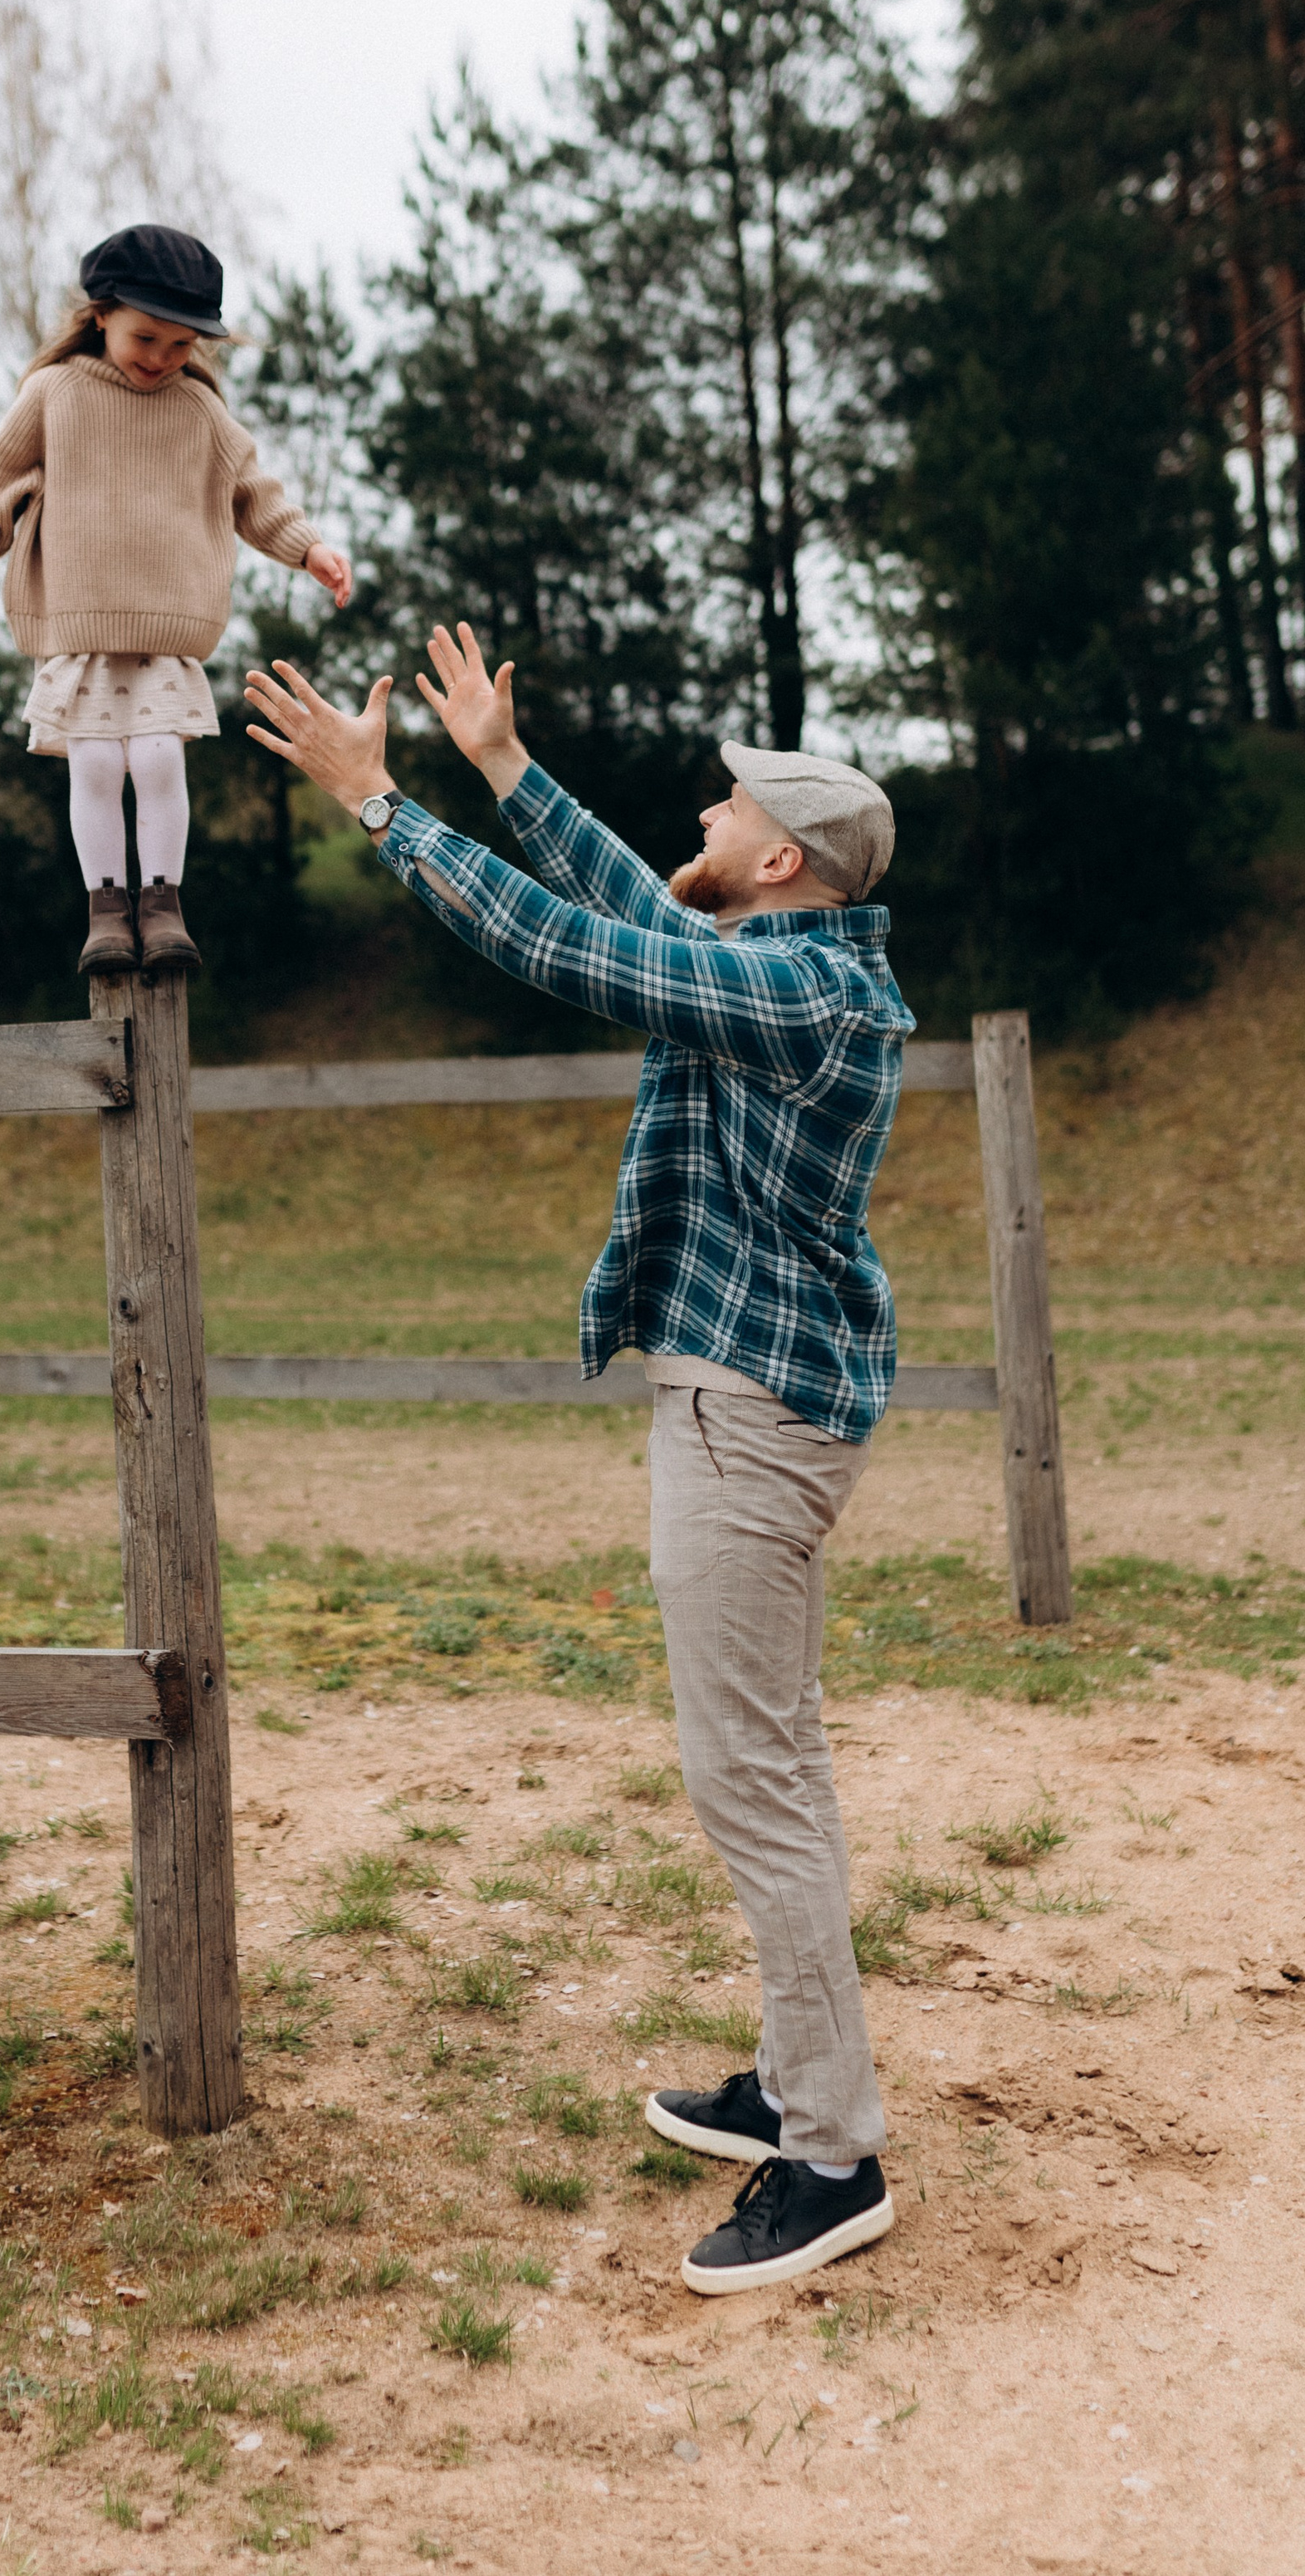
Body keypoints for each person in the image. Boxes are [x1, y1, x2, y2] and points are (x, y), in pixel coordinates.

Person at [245, 627, 910, 2298]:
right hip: (747, 1397)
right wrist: (496, 765)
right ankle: (790, 2084)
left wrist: (385, 810)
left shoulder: (809, 992)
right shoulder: (777, 956)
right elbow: (634, 911)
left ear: (777, 859)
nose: (702, 801)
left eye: (727, 798)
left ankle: (830, 2156)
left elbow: (581, 954)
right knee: (769, 1760)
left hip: (748, 1417)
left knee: (746, 1778)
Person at [0, 222, 353, 979]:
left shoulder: (199, 410)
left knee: (160, 761)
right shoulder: (54, 393)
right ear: (101, 314)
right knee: (95, 766)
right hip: (80, 629)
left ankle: (162, 906)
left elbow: (253, 492)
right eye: (147, 337)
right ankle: (106, 909)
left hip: (163, 631)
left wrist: (308, 548)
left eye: (181, 346)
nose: (162, 359)